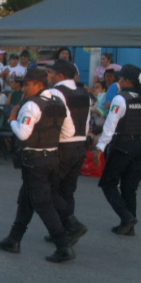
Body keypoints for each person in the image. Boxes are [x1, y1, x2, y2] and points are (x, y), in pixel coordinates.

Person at [0, 68, 74, 262]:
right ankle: (14, 239)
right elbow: (69, 133)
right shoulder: (59, 102)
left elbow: (22, 134)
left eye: (27, 84)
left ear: (38, 84)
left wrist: (12, 119)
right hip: (52, 158)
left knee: (42, 203)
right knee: (26, 199)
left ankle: (63, 245)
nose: (23, 88)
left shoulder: (32, 105)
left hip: (35, 160)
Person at [94, 65, 141, 236]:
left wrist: (100, 147)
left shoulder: (121, 99)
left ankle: (126, 217)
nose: (118, 81)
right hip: (139, 145)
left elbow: (110, 124)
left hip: (123, 145)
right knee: (130, 187)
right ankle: (129, 225)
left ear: (127, 81)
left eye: (120, 78)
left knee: (108, 183)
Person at [45, 61, 90, 243]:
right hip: (80, 144)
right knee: (68, 191)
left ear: (60, 75)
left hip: (63, 145)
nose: (49, 76)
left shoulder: (56, 92)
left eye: (51, 73)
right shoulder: (83, 92)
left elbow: (52, 121)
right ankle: (63, 230)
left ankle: (72, 225)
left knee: (49, 189)